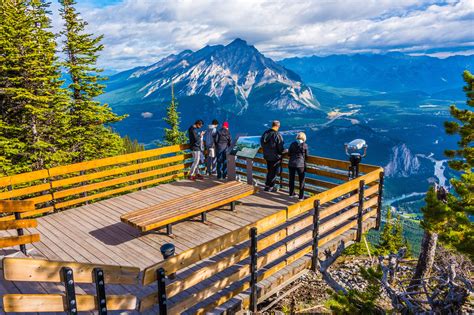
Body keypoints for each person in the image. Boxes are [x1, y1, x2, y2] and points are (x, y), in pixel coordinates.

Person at [260, 120, 285, 192]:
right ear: (278, 126)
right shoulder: (277, 135)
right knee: (274, 172)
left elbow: (262, 143)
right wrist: (284, 151)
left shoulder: (266, 133)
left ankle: (267, 185)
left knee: (269, 171)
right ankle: (271, 186)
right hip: (275, 157)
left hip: (267, 155)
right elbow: (280, 148)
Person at [288, 132, 308, 200]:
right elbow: (307, 155)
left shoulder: (292, 144)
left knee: (291, 179)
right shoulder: (305, 145)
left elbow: (289, 154)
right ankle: (301, 197)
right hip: (300, 164)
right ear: (304, 138)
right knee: (301, 180)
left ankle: (291, 194)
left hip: (291, 163)